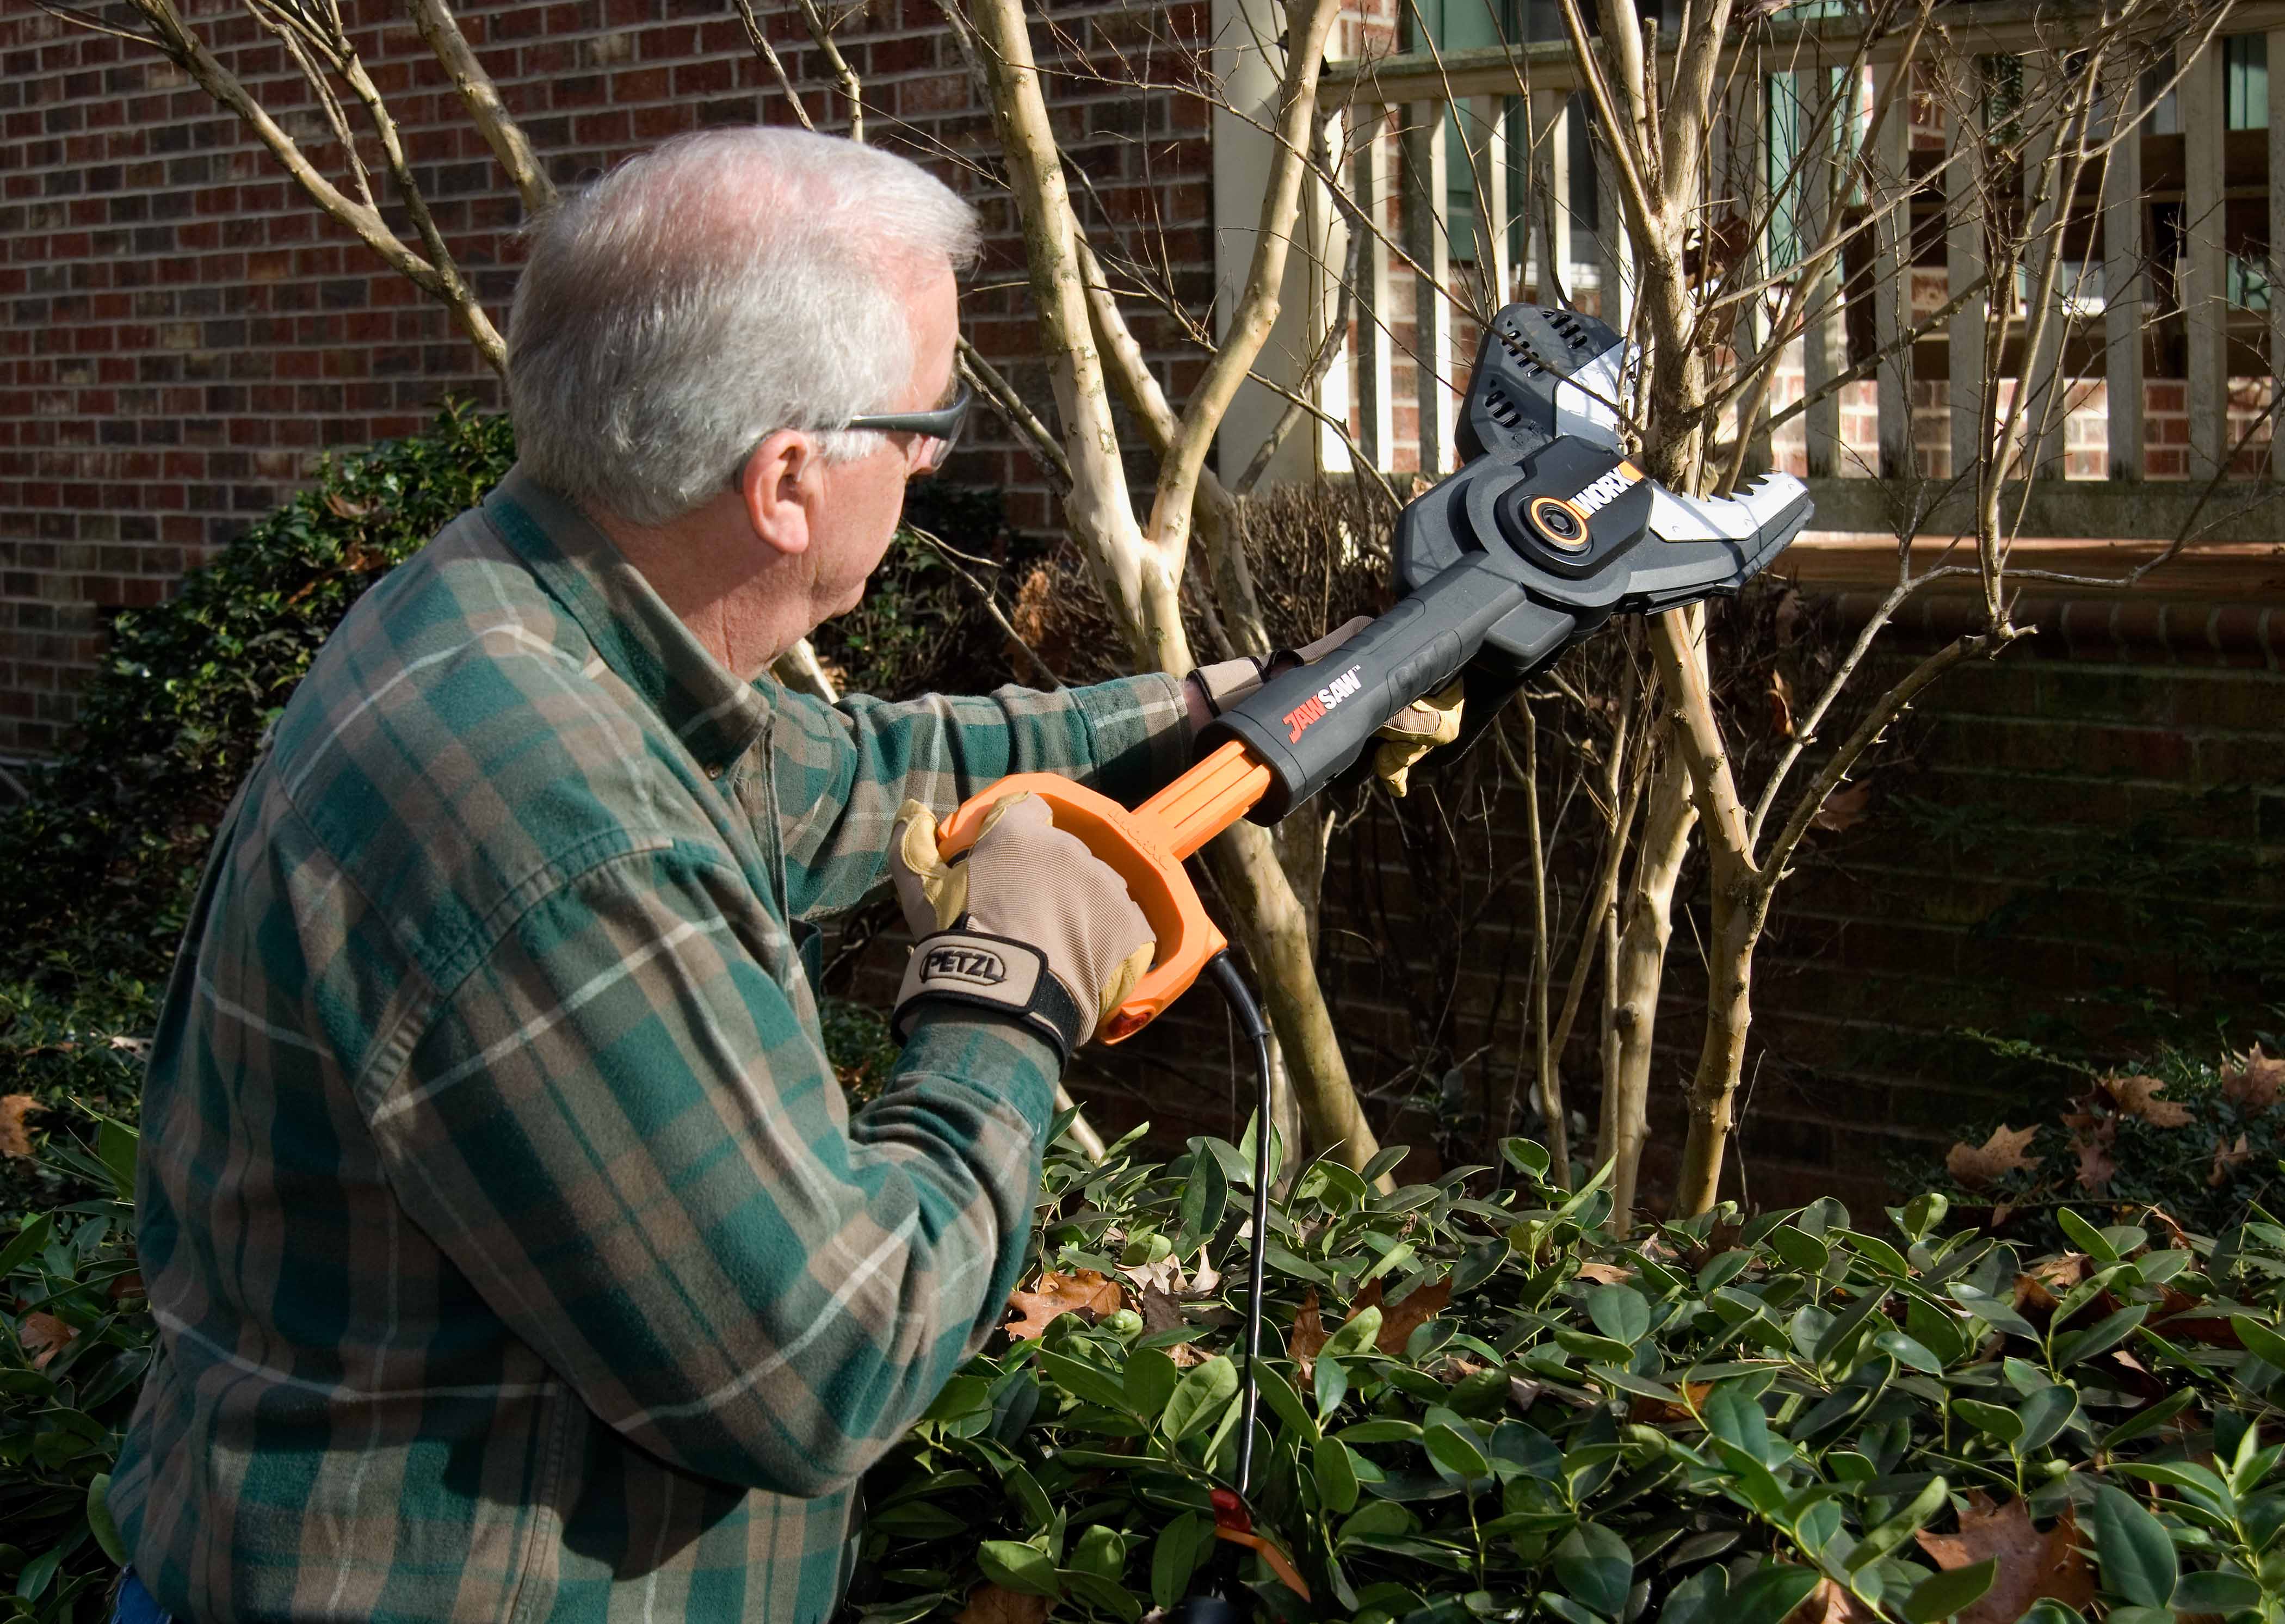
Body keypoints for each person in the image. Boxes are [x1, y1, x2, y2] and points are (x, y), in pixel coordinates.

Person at [107, 126, 1452, 1623]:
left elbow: (834, 776)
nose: (938, 453)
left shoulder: (515, 625)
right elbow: (821, 1361)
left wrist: (1229, 707)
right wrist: (1004, 999)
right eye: (924, 419)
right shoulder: (557, 832)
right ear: (789, 481)